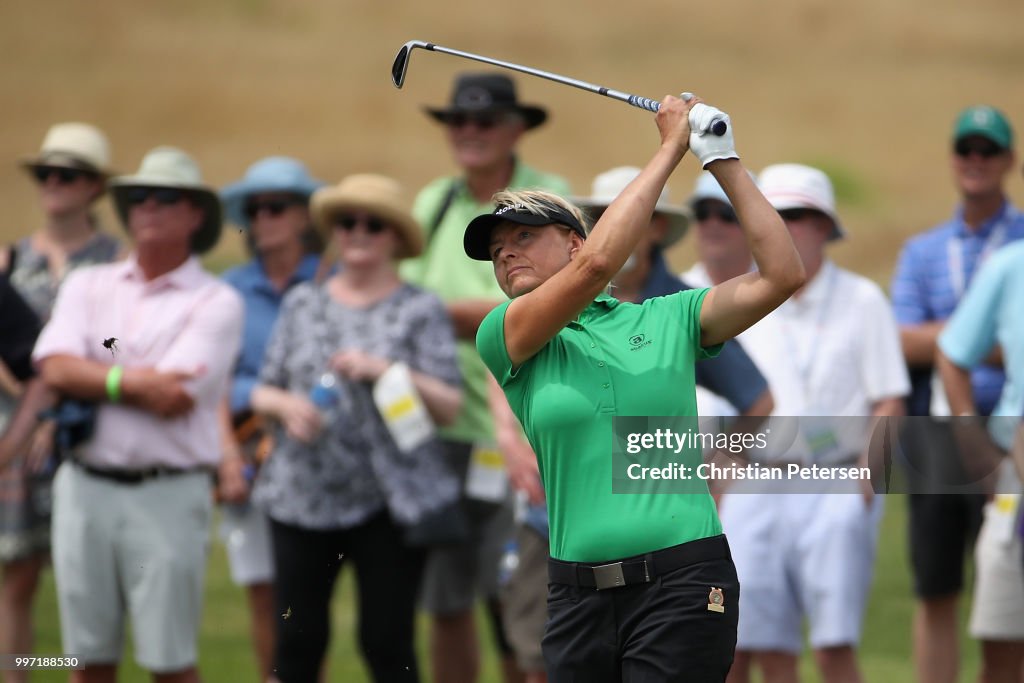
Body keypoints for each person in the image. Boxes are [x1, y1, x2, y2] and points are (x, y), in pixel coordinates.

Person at [470, 94, 805, 682]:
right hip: (576, 599)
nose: (507, 254)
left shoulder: (665, 318)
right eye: (498, 252)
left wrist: (720, 158)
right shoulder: (506, 335)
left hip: (682, 582)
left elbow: (782, 274)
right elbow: (598, 267)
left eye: (523, 236)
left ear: (573, 242)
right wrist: (672, 145)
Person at [32, 145, 243, 683]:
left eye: (165, 197)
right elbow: (54, 368)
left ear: (195, 214)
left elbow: (177, 396)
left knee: (170, 664)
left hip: (167, 494)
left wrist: (96, 371)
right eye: (138, 197)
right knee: (85, 662)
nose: (148, 206)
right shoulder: (87, 283)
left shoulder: (216, 299)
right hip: (83, 488)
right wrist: (134, 379)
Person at [249, 173, 463, 683]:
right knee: (297, 643)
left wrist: (389, 371)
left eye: (374, 223)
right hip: (301, 495)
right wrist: (286, 406)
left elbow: (450, 405)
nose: (358, 232)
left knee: (387, 643)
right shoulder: (304, 301)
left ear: (394, 236)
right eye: (347, 222)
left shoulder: (420, 308)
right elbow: (262, 387)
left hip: (388, 503)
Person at [400, 71, 571, 683]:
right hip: (440, 427)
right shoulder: (433, 202)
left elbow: (532, 308)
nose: (469, 133)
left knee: (518, 599)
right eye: (459, 121)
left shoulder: (550, 196)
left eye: (484, 121)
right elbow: (408, 304)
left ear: (515, 129)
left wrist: (441, 314)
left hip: (525, 432)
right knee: (447, 599)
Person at [714, 163, 908, 683]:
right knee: (742, 642)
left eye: (797, 215)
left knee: (832, 644)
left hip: (835, 479)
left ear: (824, 225)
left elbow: (889, 399)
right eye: (774, 215)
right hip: (756, 481)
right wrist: (726, 478)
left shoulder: (863, 299)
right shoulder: (739, 299)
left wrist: (869, 480)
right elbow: (734, 406)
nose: (785, 225)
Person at [890, 105, 1024, 683]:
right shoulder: (924, 249)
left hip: (1010, 425)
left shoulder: (1020, 245)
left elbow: (940, 340)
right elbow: (900, 339)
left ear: (1008, 162)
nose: (976, 161)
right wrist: (979, 336)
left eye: (987, 151)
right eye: (966, 150)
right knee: (938, 585)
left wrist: (956, 336)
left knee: (1005, 594)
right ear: (952, 159)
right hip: (943, 430)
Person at [0, 122, 119, 681]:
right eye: (46, 173)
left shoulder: (116, 264)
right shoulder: (10, 258)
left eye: (67, 175)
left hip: (84, 429)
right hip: (16, 430)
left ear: (94, 186)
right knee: (17, 575)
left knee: (82, 581)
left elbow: (116, 347)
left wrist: (57, 402)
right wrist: (33, 400)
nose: (53, 184)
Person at [216, 156, 325, 682]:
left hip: (317, 453)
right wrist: (267, 400)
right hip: (247, 450)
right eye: (254, 209)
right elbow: (213, 377)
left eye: (276, 208)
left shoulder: (332, 282)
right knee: (263, 593)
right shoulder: (231, 290)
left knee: (309, 599)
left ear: (305, 216)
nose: (264, 219)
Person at [936, 236, 1024, 683]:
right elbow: (953, 353)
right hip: (1016, 484)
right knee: (1002, 648)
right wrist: (973, 440)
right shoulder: (1011, 266)